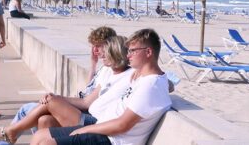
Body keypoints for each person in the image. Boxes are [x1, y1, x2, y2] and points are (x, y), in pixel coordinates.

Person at [31, 28, 172, 145]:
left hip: (113, 139)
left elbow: (122, 125)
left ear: (148, 52)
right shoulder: (146, 77)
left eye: (132, 51)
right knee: (40, 135)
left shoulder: (150, 86)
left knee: (47, 143)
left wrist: (85, 130)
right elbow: (167, 83)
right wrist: (140, 71)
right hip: (104, 129)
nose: (128, 55)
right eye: (128, 51)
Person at [0, 35, 133, 144]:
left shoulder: (130, 76)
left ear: (116, 53)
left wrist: (56, 99)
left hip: (95, 122)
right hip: (87, 114)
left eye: (106, 51)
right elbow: (86, 101)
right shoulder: (108, 72)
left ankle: (12, 131)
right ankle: (12, 132)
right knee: (45, 120)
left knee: (45, 103)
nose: (102, 55)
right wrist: (57, 98)